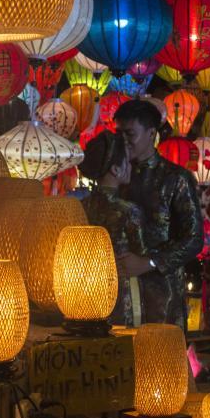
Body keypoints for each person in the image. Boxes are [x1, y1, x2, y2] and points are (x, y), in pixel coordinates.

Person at [114, 99, 204, 330]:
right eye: (119, 133)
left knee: (160, 357)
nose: (123, 140)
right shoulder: (115, 176)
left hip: (162, 292)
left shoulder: (175, 178)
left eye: (130, 133)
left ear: (151, 132)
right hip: (117, 290)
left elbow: (194, 238)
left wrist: (150, 262)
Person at [79, 130, 147, 326]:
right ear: (116, 170)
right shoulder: (128, 211)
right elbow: (141, 252)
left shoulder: (81, 206)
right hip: (123, 293)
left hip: (88, 291)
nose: (131, 167)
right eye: (127, 161)